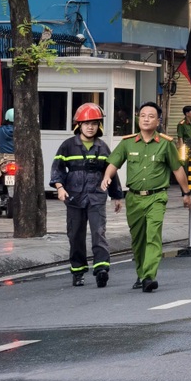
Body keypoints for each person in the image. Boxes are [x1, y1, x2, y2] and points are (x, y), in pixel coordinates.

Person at [101, 101, 191, 293]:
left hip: (156, 197)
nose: (146, 119)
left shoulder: (166, 144)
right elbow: (113, 163)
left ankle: (149, 275)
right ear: (138, 119)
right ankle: (141, 274)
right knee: (138, 239)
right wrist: (107, 177)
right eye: (142, 115)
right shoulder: (127, 143)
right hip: (134, 198)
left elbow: (178, 170)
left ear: (158, 121)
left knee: (153, 235)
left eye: (151, 116)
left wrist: (186, 193)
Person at [50, 103, 124, 288]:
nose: (90, 127)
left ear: (98, 125)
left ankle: (101, 269)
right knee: (75, 235)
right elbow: (57, 169)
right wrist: (60, 188)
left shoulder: (103, 147)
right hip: (74, 198)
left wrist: (116, 196)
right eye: (86, 123)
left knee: (99, 233)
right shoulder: (68, 146)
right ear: (79, 125)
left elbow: (111, 172)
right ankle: (78, 271)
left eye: (94, 123)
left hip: (97, 197)